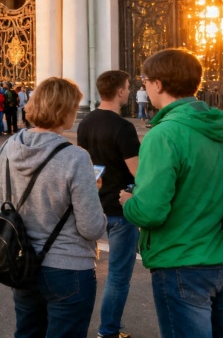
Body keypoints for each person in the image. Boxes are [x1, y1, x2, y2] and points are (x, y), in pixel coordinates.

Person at [120, 48, 223, 338]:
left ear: (159, 84)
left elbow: (151, 211)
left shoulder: (164, 134)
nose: (145, 87)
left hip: (182, 262)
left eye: (145, 81)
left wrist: (128, 203)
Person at [0, 77, 107, 338]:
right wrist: (95, 194)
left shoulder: (7, 148)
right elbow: (91, 228)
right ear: (64, 109)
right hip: (69, 268)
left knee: (27, 332)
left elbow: (5, 205)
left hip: (21, 261)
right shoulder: (75, 157)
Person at [77, 71, 140, 338]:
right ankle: (108, 330)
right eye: (127, 86)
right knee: (118, 276)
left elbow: (86, 165)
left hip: (94, 203)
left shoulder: (86, 122)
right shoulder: (123, 127)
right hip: (120, 207)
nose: (128, 90)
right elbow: (138, 172)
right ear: (120, 91)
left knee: (84, 269)